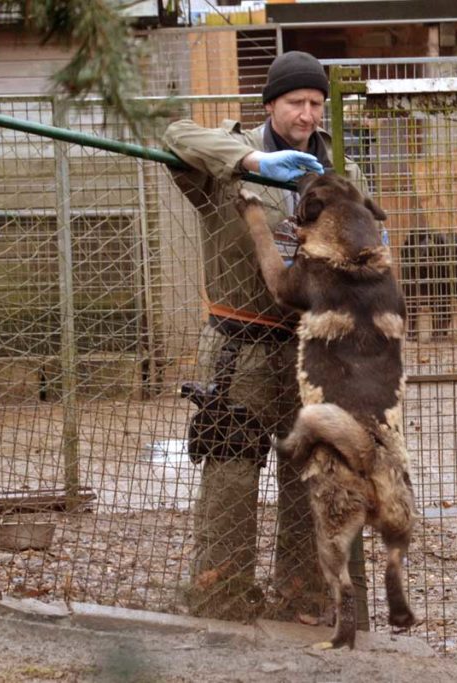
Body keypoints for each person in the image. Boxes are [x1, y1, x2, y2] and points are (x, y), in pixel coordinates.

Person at [162, 51, 374, 621]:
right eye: (295, 103)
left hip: (313, 353)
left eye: (315, 104)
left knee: (311, 484)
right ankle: (220, 596)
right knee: (229, 478)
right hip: (240, 350)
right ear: (270, 105)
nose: (306, 115)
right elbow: (173, 132)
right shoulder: (227, 156)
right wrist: (255, 159)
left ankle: (305, 601)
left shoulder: (339, 170)